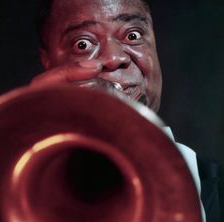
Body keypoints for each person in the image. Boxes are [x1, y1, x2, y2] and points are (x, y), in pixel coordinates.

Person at [31, 0, 221, 221]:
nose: (114, 58)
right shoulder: (15, 186)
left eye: (133, 36)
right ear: (48, 62)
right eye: (83, 44)